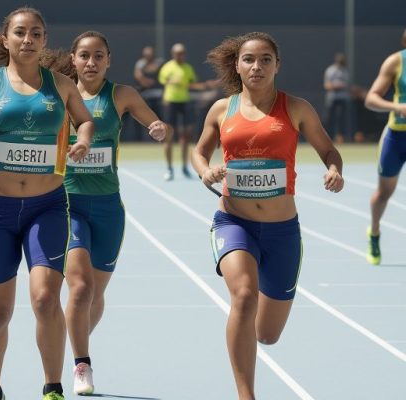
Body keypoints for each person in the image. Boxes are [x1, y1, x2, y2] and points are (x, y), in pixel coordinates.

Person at [0, 8, 94, 400]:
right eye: (21, 33)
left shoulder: (60, 85)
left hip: (46, 205)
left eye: (36, 33)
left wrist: (82, 140)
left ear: (44, 40)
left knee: (46, 298)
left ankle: (52, 387)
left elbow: (85, 120)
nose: (28, 40)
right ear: (6, 39)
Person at [192, 32, 343, 400]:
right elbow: (199, 153)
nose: (256, 66)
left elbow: (329, 151)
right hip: (233, 222)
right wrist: (205, 171)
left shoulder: (296, 108)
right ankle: (247, 395)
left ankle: (249, 331)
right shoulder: (221, 109)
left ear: (277, 66)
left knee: (267, 334)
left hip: (282, 231)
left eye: (264, 60)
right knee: (243, 296)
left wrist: (335, 170)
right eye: (248, 60)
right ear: (237, 66)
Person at [50, 31, 169, 395]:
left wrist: (157, 127)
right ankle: (82, 364)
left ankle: (76, 337)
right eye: (84, 55)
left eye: (98, 56)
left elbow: (153, 121)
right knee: (80, 288)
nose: (91, 62)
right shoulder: (59, 94)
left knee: (95, 296)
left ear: (108, 60)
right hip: (67, 202)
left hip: (107, 206)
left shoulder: (121, 95)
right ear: (73, 59)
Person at [362, 28, 406, 265]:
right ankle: (374, 233)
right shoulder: (396, 62)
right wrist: (397, 107)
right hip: (397, 138)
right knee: (384, 193)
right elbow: (371, 98)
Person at [159, 43, 211, 180]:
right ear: (173, 54)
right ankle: (169, 168)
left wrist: (203, 86)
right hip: (171, 103)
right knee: (169, 136)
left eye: (182, 53)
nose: (180, 55)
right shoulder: (167, 68)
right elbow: (164, 82)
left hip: (185, 103)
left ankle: (184, 167)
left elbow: (192, 84)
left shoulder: (188, 68)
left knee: (186, 137)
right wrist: (173, 83)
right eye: (177, 53)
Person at [134, 45, 163, 138]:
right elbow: (138, 76)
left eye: (150, 54)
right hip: (144, 96)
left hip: (158, 96)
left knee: (158, 118)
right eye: (146, 55)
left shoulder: (159, 63)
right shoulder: (140, 64)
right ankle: (141, 138)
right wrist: (146, 82)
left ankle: (160, 137)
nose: (148, 56)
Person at [324, 52, 353, 143]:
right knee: (330, 119)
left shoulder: (345, 72)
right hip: (332, 99)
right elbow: (327, 85)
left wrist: (343, 86)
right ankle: (328, 138)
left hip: (343, 99)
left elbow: (348, 85)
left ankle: (341, 138)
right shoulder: (330, 71)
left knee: (342, 119)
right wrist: (335, 86)